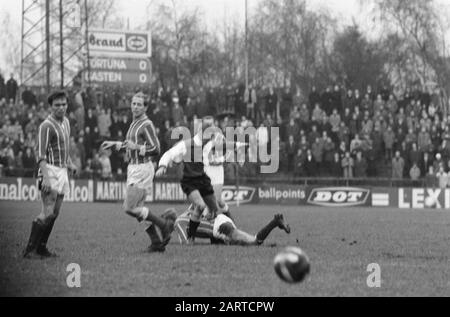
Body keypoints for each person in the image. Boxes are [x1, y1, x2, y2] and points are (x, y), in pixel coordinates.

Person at [107, 93, 176, 252]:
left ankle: (163, 225)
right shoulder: (134, 122)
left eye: (139, 104)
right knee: (139, 209)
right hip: (135, 167)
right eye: (134, 103)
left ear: (145, 107)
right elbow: (132, 144)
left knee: (129, 207)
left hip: (142, 169)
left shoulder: (146, 124)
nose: (136, 106)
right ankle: (157, 242)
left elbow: (156, 149)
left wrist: (136, 148)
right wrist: (117, 144)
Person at [23, 90, 77, 258]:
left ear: (67, 104)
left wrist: (70, 163)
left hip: (62, 171)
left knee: (55, 213)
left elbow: (63, 148)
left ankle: (42, 247)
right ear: (51, 107)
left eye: (63, 104)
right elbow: (40, 154)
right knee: (47, 211)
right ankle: (29, 250)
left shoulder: (66, 122)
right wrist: (46, 177)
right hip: (50, 170)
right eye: (57, 105)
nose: (61, 108)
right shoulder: (46, 126)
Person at [155, 116, 222, 244]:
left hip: (203, 179)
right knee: (201, 205)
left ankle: (214, 237)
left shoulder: (208, 144)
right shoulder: (187, 144)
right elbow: (169, 153)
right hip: (190, 181)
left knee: (214, 209)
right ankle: (190, 238)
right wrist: (163, 166)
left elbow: (223, 147)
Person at [172, 207, 291, 246]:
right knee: (241, 244)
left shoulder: (178, 222)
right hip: (221, 222)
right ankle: (274, 226)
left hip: (220, 227)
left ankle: (275, 221)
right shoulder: (186, 212)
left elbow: (187, 244)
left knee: (254, 242)